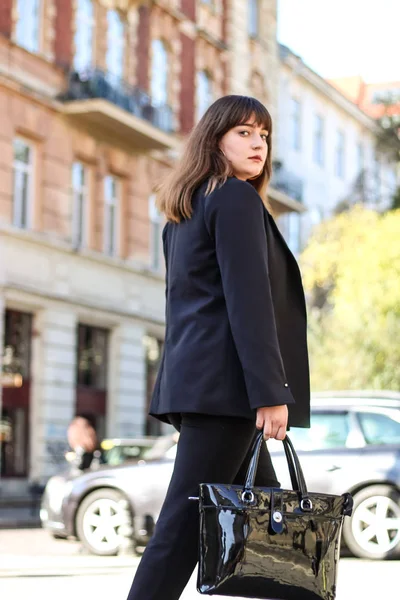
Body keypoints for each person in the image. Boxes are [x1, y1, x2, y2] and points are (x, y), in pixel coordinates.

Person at [126, 95, 310, 600]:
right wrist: (270, 391)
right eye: (244, 133)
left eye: (264, 135)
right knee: (179, 532)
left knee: (281, 540)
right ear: (215, 140)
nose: (259, 145)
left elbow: (186, 308)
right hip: (229, 395)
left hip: (207, 390)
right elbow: (247, 303)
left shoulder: (184, 211)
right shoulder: (234, 199)